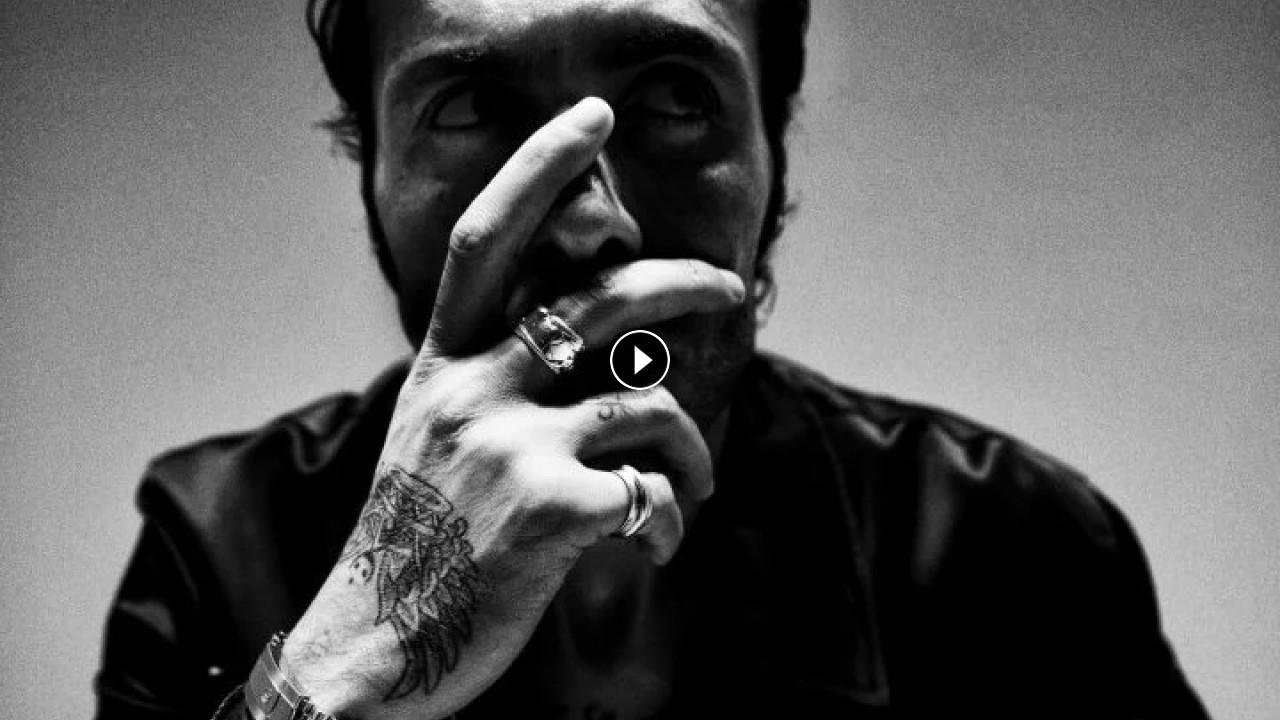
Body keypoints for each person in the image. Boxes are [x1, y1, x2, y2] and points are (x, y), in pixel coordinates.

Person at [94, 1, 1211, 718]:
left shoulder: (1015, 547)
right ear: (368, 176)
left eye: (677, 97)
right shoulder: (217, 534)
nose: (591, 225)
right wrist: (332, 675)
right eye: (469, 107)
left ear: (772, 162)